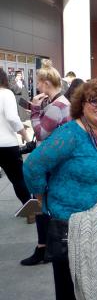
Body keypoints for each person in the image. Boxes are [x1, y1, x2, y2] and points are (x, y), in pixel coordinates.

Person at [23, 78, 97, 300]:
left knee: (91, 285)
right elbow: (32, 166)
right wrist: (41, 197)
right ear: (82, 103)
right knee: (69, 290)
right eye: (94, 100)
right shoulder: (71, 134)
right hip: (69, 225)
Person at [21, 59, 71, 266]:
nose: (38, 86)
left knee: (42, 205)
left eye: (40, 82)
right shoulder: (63, 103)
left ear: (46, 83)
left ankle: (44, 248)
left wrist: (34, 111)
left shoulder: (56, 106)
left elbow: (40, 132)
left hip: (50, 162)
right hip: (58, 161)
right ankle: (47, 247)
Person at [0, 68, 31, 205]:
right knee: (18, 179)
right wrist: (24, 133)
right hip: (6, 145)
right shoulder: (6, 94)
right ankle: (30, 210)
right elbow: (12, 118)